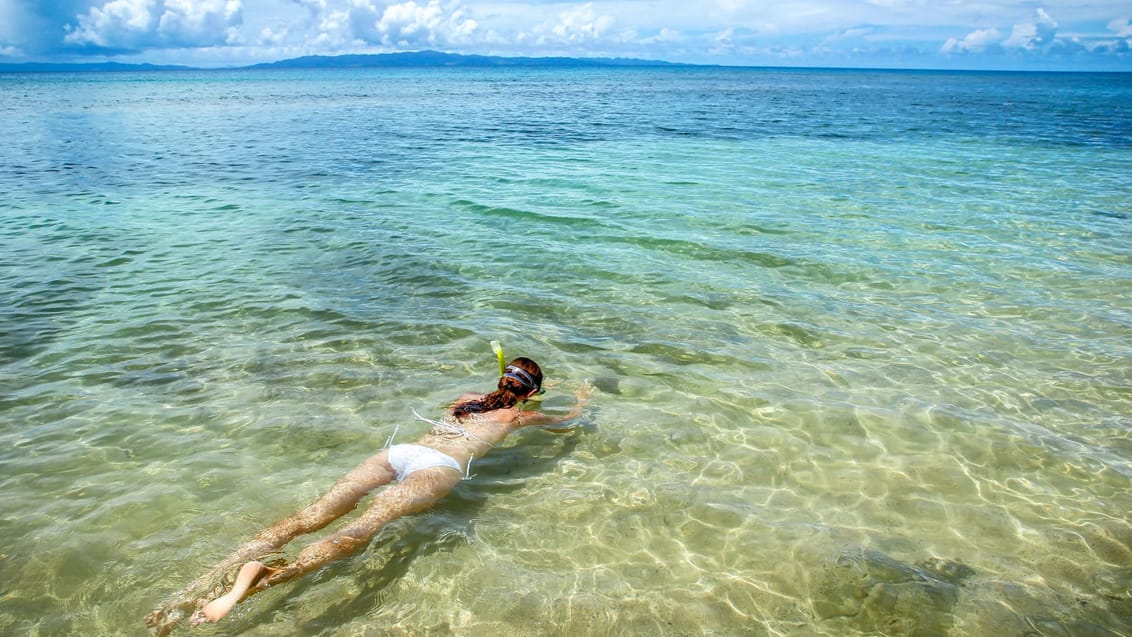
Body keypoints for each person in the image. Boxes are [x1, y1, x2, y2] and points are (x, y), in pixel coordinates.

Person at [144, 357, 592, 636]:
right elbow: (566, 420)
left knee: (307, 517)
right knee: (359, 531)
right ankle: (261, 581)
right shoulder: (515, 419)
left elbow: (492, 401)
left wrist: (512, 392)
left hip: (400, 452)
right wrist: (581, 401)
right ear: (531, 393)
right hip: (438, 469)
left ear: (500, 378)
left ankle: (191, 590)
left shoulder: (464, 399)